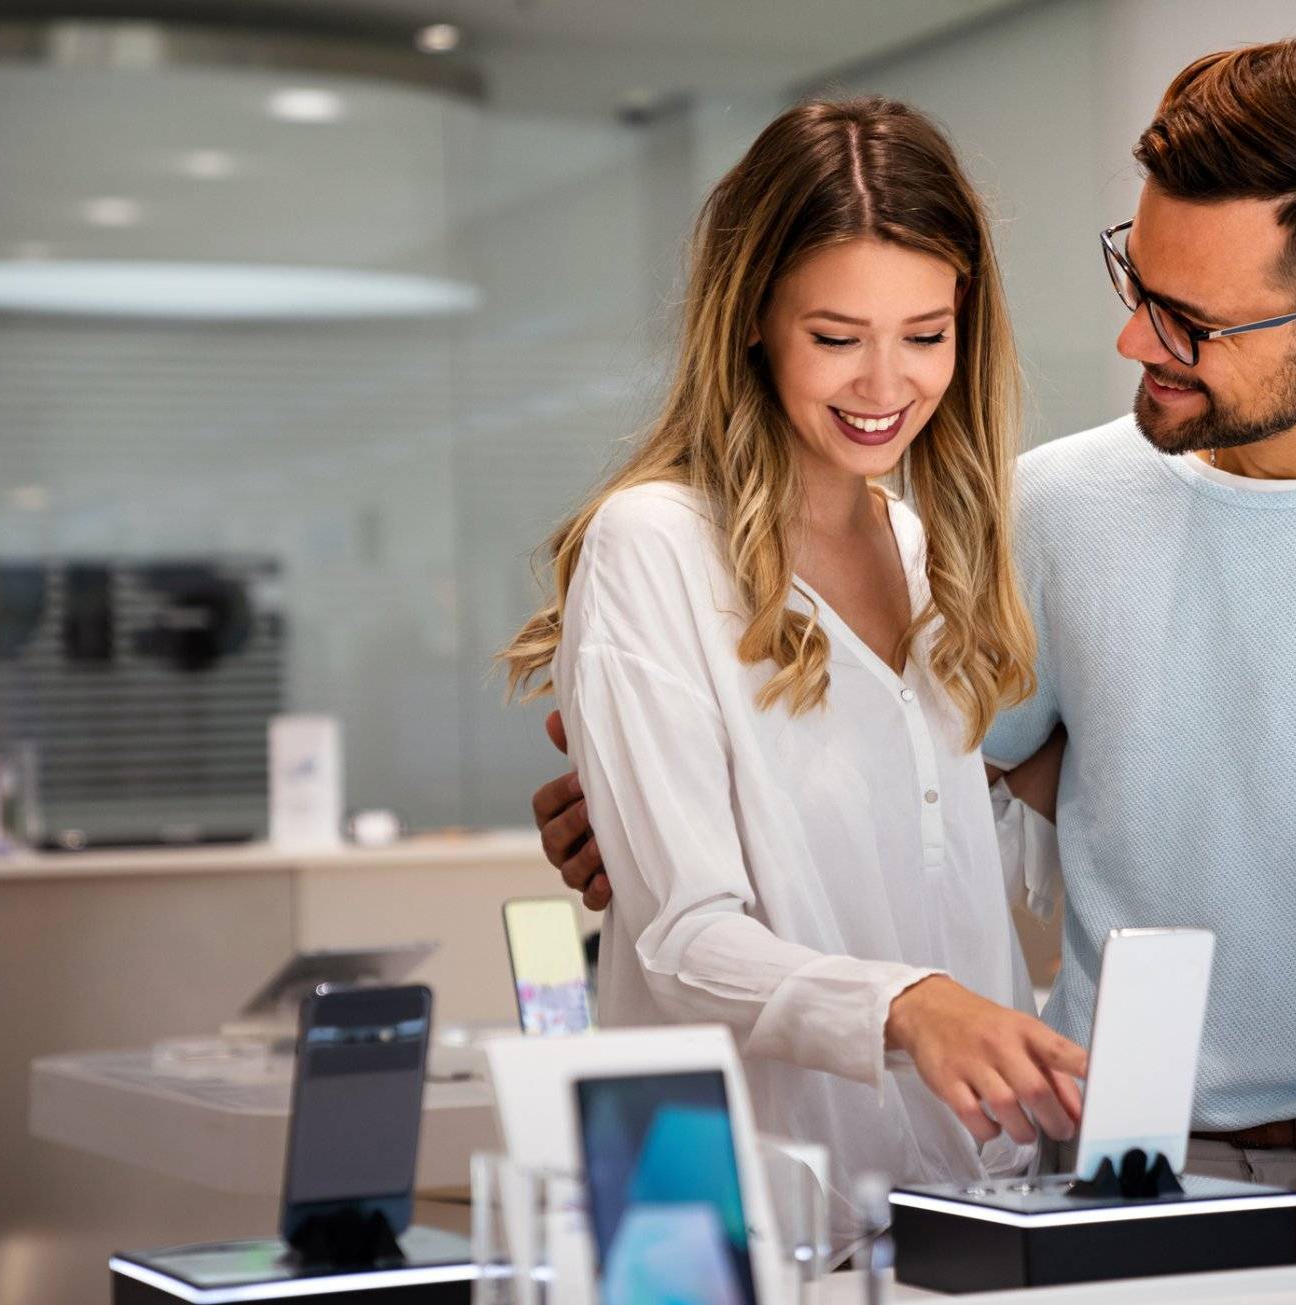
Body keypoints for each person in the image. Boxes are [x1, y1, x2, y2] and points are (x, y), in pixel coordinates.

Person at [532, 39, 1296, 1277]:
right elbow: (975, 780)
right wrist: (649, 805)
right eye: (1136, 278)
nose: (1132, 340)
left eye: (1190, 319)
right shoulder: (1035, 509)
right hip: (1097, 1161)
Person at [498, 96, 1086, 1245]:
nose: (885, 385)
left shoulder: (924, 554)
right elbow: (682, 936)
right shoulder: (653, 546)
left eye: (925, 334)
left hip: (964, 1200)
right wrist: (909, 1008)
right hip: (742, 1218)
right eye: (835, 337)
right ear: (752, 321)